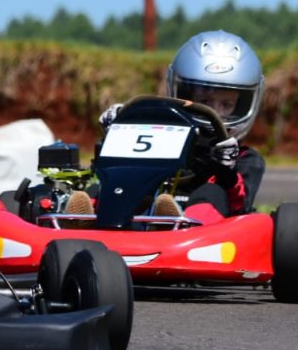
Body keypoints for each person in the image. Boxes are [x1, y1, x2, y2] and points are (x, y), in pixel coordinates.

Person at [94, 29, 266, 222]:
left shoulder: (246, 159)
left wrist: (227, 170)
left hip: (207, 233)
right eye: (205, 101)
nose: (215, 112)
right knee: (109, 186)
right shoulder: (163, 137)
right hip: (148, 209)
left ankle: (182, 225)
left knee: (211, 192)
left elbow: (239, 203)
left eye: (226, 105)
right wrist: (120, 129)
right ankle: (79, 217)